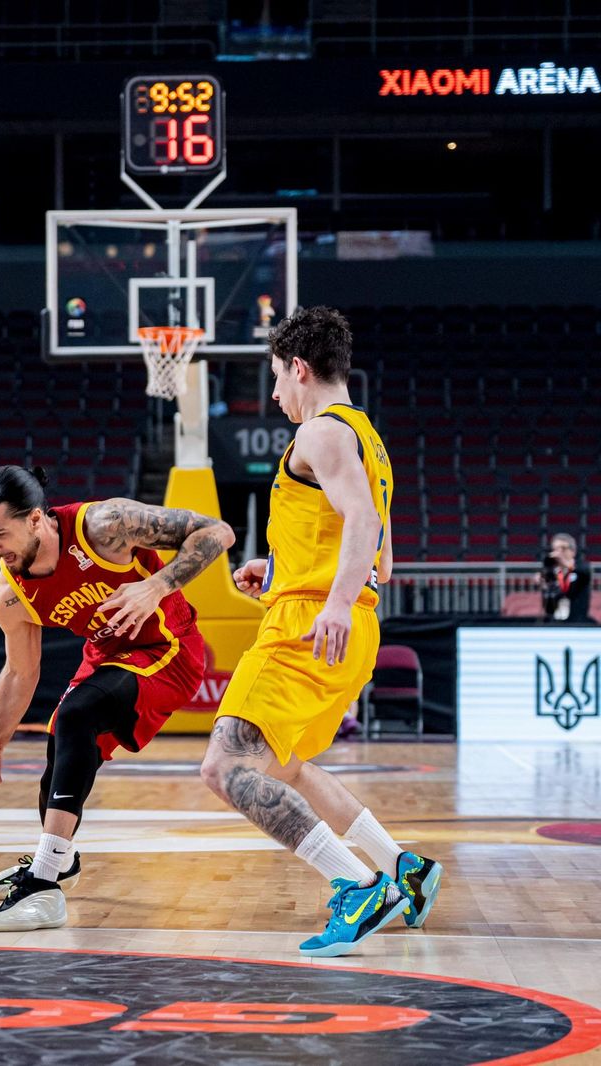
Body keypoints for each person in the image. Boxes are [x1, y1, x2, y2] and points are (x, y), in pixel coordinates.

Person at [198, 306, 442, 959]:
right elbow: (381, 558)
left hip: (310, 627)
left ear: (300, 368)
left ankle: (359, 885)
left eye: (277, 377)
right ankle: (404, 871)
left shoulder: (320, 435)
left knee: (224, 768)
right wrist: (279, 570)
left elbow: (360, 523)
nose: (275, 393)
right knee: (288, 767)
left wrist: (327, 603)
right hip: (342, 622)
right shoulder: (368, 438)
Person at [0, 465, 231, 932]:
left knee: (75, 715)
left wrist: (156, 586)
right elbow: (20, 671)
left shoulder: (106, 526)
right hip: (107, 657)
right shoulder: (10, 595)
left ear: (35, 520)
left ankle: (44, 885)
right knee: (61, 746)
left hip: (168, 649)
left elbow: (218, 532)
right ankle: (59, 859)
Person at [541, 532, 591, 623]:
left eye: (563, 549)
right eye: (555, 549)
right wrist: (545, 586)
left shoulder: (581, 567)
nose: (558, 553)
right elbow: (548, 605)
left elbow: (584, 573)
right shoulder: (552, 572)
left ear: (573, 551)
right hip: (555, 624)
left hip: (577, 623)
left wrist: (565, 563)